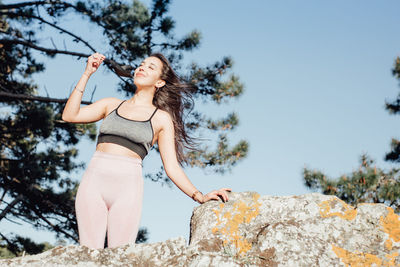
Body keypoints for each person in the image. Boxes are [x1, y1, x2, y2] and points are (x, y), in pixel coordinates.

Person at [62, 52, 232, 249]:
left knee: (121, 256)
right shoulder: (110, 105)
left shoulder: (161, 119)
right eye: (141, 64)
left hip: (127, 191)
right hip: (93, 185)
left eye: (151, 67)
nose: (142, 67)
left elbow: (172, 167)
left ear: (159, 82)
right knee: (88, 252)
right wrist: (87, 74)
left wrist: (199, 196)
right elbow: (69, 115)